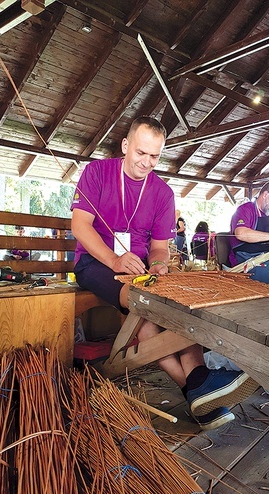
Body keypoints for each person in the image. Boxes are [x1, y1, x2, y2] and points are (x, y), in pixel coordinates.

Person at [71, 116, 253, 430]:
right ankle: (198, 381)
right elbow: (80, 227)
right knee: (148, 304)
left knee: (167, 305)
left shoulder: (163, 193)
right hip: (96, 263)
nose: (146, 162)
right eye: (141, 153)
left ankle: (197, 390)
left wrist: (158, 263)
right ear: (126, 145)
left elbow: (159, 247)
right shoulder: (97, 172)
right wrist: (114, 261)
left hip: (142, 272)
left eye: (154, 156)